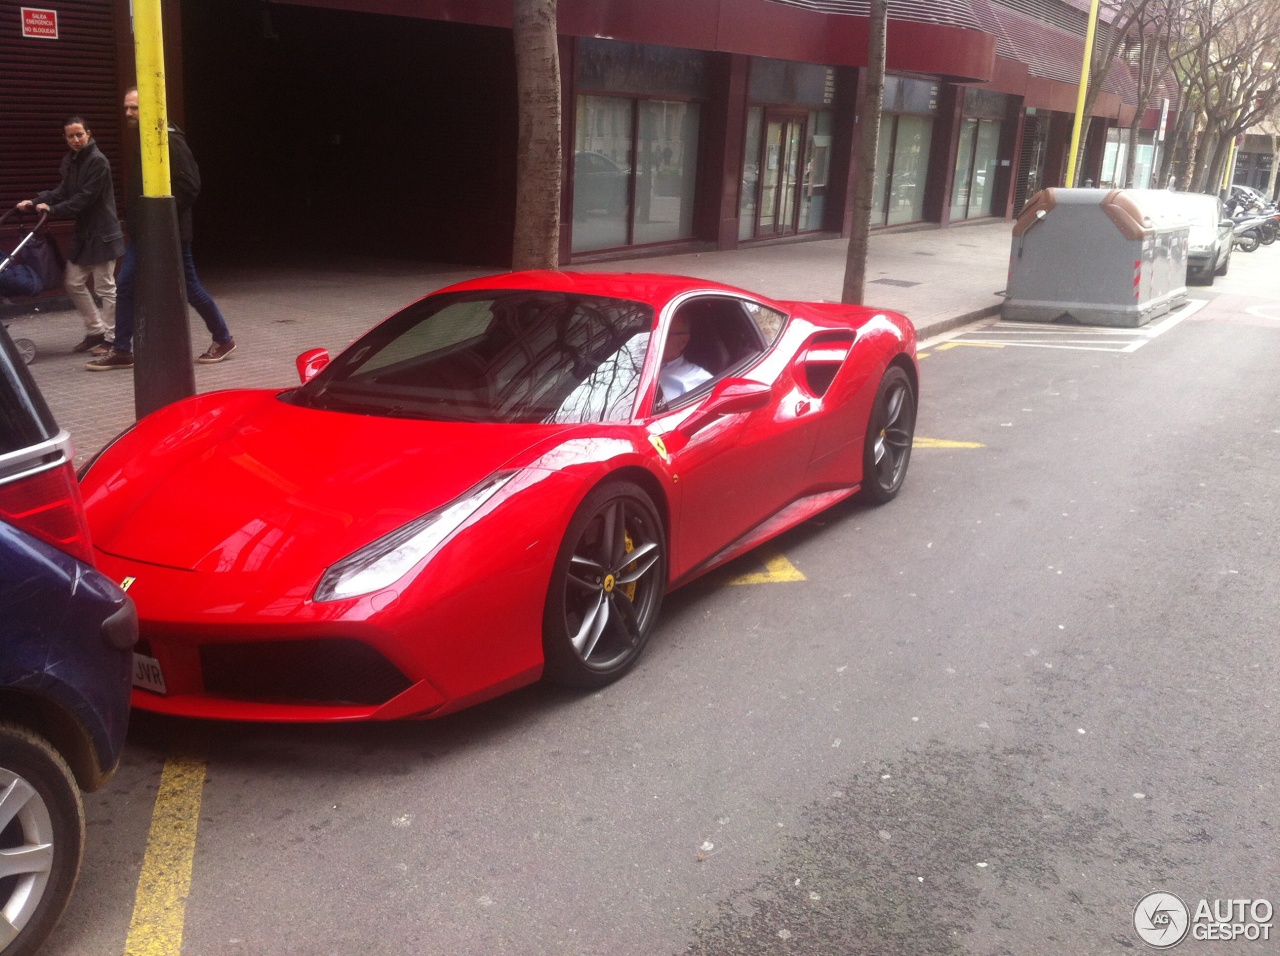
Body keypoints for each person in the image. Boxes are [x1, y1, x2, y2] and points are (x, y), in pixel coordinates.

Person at [87, 87, 235, 371]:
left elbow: (190, 185)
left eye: (134, 108)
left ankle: (223, 338)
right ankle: (121, 349)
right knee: (126, 285)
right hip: (145, 233)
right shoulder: (146, 138)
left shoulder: (170, 139)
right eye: (127, 108)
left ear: (152, 108)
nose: (128, 113)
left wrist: (160, 219)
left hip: (169, 234)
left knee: (189, 287)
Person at [17, 115, 124, 353]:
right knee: (73, 282)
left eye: (80, 134)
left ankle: (112, 337)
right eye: (71, 136)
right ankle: (95, 330)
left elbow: (84, 199)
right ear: (65, 138)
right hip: (84, 234)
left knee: (105, 288)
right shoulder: (71, 161)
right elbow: (63, 190)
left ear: (89, 133)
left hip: (102, 233)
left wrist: (52, 209)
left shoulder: (98, 162)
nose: (76, 140)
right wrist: (35, 201)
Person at [658, 311, 711, 400]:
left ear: (683, 341)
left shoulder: (700, 383)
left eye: (664, 334)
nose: (655, 339)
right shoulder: (631, 356)